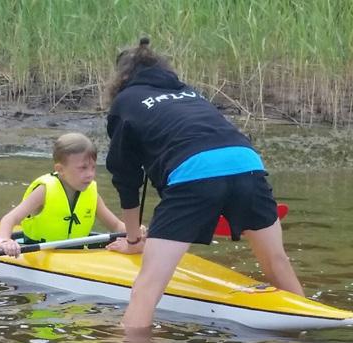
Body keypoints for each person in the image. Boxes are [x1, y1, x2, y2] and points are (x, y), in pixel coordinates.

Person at [104, 37, 305, 328]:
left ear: (122, 78)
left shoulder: (125, 102)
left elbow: (127, 179)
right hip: (247, 164)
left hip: (194, 175)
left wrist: (134, 241)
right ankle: (310, 336)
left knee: (146, 289)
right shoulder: (189, 92)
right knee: (277, 262)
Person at [0, 132, 126, 256]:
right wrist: (5, 240)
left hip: (75, 255)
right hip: (37, 253)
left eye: (93, 167)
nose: (90, 174)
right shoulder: (43, 191)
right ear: (60, 169)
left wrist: (135, 232)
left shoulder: (92, 194)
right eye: (83, 168)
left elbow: (116, 226)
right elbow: (9, 219)